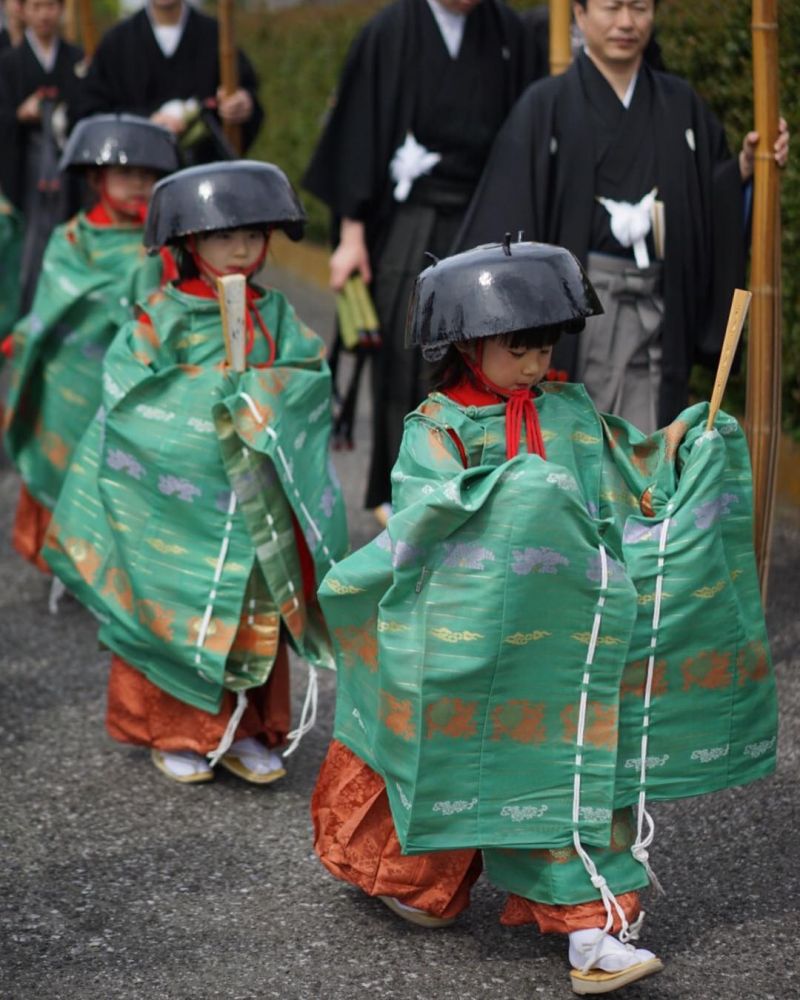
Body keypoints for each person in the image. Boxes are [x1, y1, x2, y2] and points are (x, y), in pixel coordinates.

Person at [312, 240, 777, 994]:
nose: (534, 364)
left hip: (570, 636)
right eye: (515, 348)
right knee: (447, 773)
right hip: (473, 629)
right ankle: (410, 877)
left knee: (571, 772)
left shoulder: (567, 408)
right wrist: (516, 495)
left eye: (544, 346)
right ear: (466, 343)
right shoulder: (437, 429)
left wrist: (685, 445)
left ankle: (591, 931)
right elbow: (426, 518)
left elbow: (633, 472)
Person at [42, 161, 348, 785]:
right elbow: (129, 394)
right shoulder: (162, 315)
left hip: (254, 501)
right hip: (181, 505)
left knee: (252, 615)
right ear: (186, 243)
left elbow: (309, 380)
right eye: (220, 236)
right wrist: (214, 395)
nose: (240, 248)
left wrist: (264, 393)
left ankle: (250, 730)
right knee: (178, 605)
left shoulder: (278, 313)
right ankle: (180, 731)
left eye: (253, 234)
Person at [457, 0, 790, 433]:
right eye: (612, 7)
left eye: (640, 8)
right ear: (579, 14)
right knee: (576, 441)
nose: (627, 22)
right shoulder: (546, 105)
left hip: (660, 310)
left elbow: (710, 200)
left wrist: (746, 170)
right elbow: (509, 214)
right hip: (579, 314)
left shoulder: (679, 103)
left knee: (651, 442)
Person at [302, 0, 534, 526]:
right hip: (411, 219)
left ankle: (483, 487)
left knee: (488, 357)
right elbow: (358, 134)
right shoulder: (388, 31)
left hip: (488, 214)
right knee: (407, 355)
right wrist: (351, 234)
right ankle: (401, 487)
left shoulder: (511, 34)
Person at [3, 114, 180, 572]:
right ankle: (66, 555)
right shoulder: (69, 239)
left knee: (129, 467)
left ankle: (122, 565)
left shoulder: (167, 248)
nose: (139, 185)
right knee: (65, 457)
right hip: (70, 372)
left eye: (148, 176)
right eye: (126, 174)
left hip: (133, 379)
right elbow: (52, 300)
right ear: (97, 178)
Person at [73, 0, 263, 164]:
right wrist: (146, 122)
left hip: (204, 175)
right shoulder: (116, 43)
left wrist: (242, 104)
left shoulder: (217, 37)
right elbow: (91, 111)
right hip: (138, 180)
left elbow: (247, 93)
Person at [0, 0, 84, 313]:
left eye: (51, 6)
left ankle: (62, 312)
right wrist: (20, 114)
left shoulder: (76, 59)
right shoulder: (9, 62)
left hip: (66, 165)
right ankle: (24, 315)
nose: (44, 14)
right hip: (26, 164)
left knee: (66, 236)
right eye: (36, 6)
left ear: (62, 10)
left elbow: (87, 109)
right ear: (24, 11)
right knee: (29, 242)